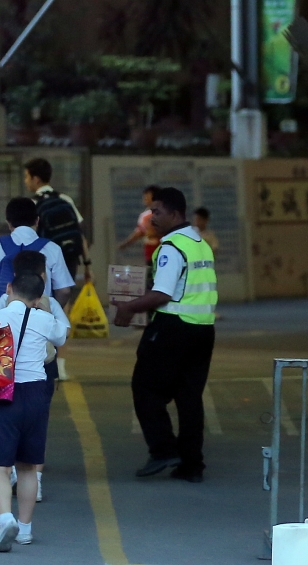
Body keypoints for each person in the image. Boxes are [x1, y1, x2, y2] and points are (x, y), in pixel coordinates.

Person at [111, 187, 217, 484]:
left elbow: (163, 293)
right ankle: (192, 465)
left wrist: (129, 307)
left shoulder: (171, 246)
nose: (151, 217)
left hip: (174, 327)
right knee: (189, 397)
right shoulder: (200, 243)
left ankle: (163, 450)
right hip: (203, 329)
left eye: (157, 212)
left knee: (144, 387)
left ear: (175, 213)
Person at [0, 271, 68, 551]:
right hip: (35, 393)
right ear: (39, 297)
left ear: (8, 289)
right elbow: (61, 337)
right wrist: (44, 310)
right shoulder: (45, 319)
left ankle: (6, 518)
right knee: (28, 465)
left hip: (2, 391)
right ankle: (26, 529)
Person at [0, 251, 69, 503]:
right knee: (35, 433)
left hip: (3, 380)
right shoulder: (47, 303)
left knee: (6, 434)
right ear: (44, 276)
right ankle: (34, 480)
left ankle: (13, 479)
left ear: (10, 282)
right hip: (38, 379)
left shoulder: (1, 305)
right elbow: (62, 334)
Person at [0, 197, 74, 309]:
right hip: (39, 317)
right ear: (37, 221)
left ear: (9, 223)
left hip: (3, 320)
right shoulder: (52, 249)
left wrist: (2, 273)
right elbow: (64, 290)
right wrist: (53, 310)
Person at [23, 158, 92, 283]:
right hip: (69, 257)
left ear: (36, 179)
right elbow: (80, 234)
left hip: (45, 262)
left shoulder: (32, 204)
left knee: (46, 300)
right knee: (65, 298)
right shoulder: (65, 199)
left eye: (27, 177)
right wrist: (87, 265)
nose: (25, 181)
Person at [117, 185, 163, 266]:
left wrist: (156, 234)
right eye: (144, 196)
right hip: (150, 252)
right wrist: (125, 244)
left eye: (147, 196)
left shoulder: (165, 213)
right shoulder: (145, 216)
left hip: (164, 251)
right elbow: (139, 233)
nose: (144, 198)